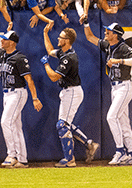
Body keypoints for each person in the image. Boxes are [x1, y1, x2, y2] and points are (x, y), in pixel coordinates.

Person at [0, 22, 43, 168]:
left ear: (11, 42)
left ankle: (12, 155)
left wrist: (35, 98)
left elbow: (29, 79)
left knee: (5, 121)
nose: (1, 41)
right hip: (7, 94)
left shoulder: (19, 58)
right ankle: (22, 159)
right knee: (16, 126)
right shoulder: (2, 54)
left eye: (4, 39)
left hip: (17, 93)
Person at [83, 22, 132, 165]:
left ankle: (120, 151)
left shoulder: (123, 47)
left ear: (115, 34)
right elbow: (90, 37)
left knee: (111, 117)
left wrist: (120, 60)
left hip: (124, 86)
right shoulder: (108, 45)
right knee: (123, 122)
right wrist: (86, 22)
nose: (106, 33)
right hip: (115, 87)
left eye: (108, 32)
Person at [42, 24, 100, 167]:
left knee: (62, 125)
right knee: (65, 125)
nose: (58, 38)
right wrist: (45, 33)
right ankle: (89, 144)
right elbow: (50, 51)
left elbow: (54, 77)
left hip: (72, 91)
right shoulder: (63, 52)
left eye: (60, 37)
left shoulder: (70, 57)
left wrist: (46, 65)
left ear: (67, 40)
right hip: (68, 91)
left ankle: (69, 159)